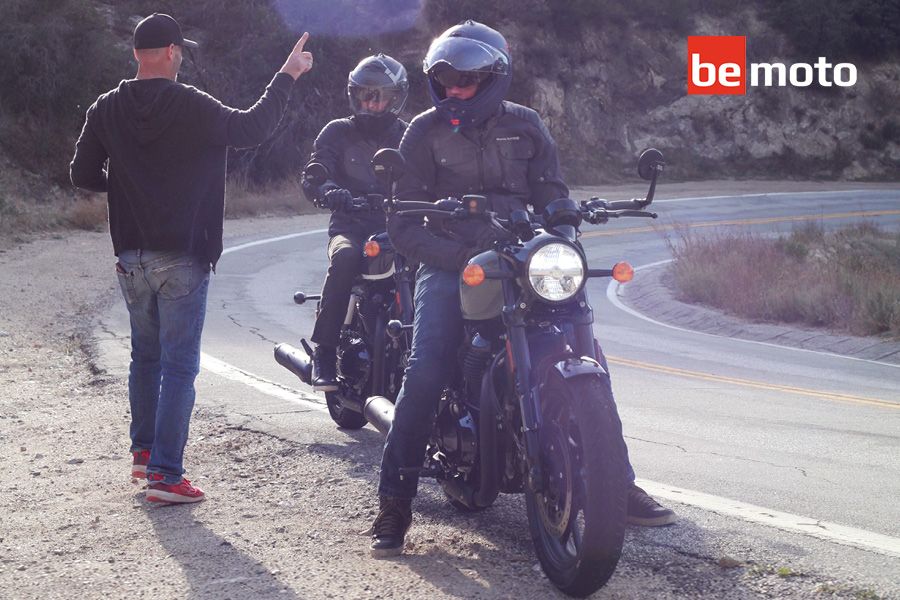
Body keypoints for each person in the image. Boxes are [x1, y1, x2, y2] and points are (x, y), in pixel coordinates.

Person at [369, 20, 676, 557]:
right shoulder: (422, 131)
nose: (454, 91)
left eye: (466, 81)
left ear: (494, 78)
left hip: (522, 255)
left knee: (586, 349)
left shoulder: (527, 126)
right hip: (452, 263)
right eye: (444, 81)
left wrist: (564, 229)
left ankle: (615, 483)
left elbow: (554, 194)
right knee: (425, 370)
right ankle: (394, 501)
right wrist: (456, 255)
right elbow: (401, 225)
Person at [69, 13, 313, 503]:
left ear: (138, 54)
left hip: (131, 257)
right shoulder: (190, 104)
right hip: (182, 255)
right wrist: (287, 75)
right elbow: (251, 128)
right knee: (179, 367)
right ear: (173, 52)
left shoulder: (105, 107)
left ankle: (144, 457)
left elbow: (81, 173)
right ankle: (166, 475)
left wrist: (125, 184)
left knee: (146, 358)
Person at [301, 54, 409, 391]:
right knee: (345, 256)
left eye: (380, 96)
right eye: (366, 95)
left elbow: (429, 174)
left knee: (430, 265)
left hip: (397, 228)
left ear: (396, 98)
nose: (372, 103)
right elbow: (316, 171)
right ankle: (325, 351)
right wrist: (329, 189)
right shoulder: (337, 131)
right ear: (354, 94)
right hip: (349, 226)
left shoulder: (408, 134)